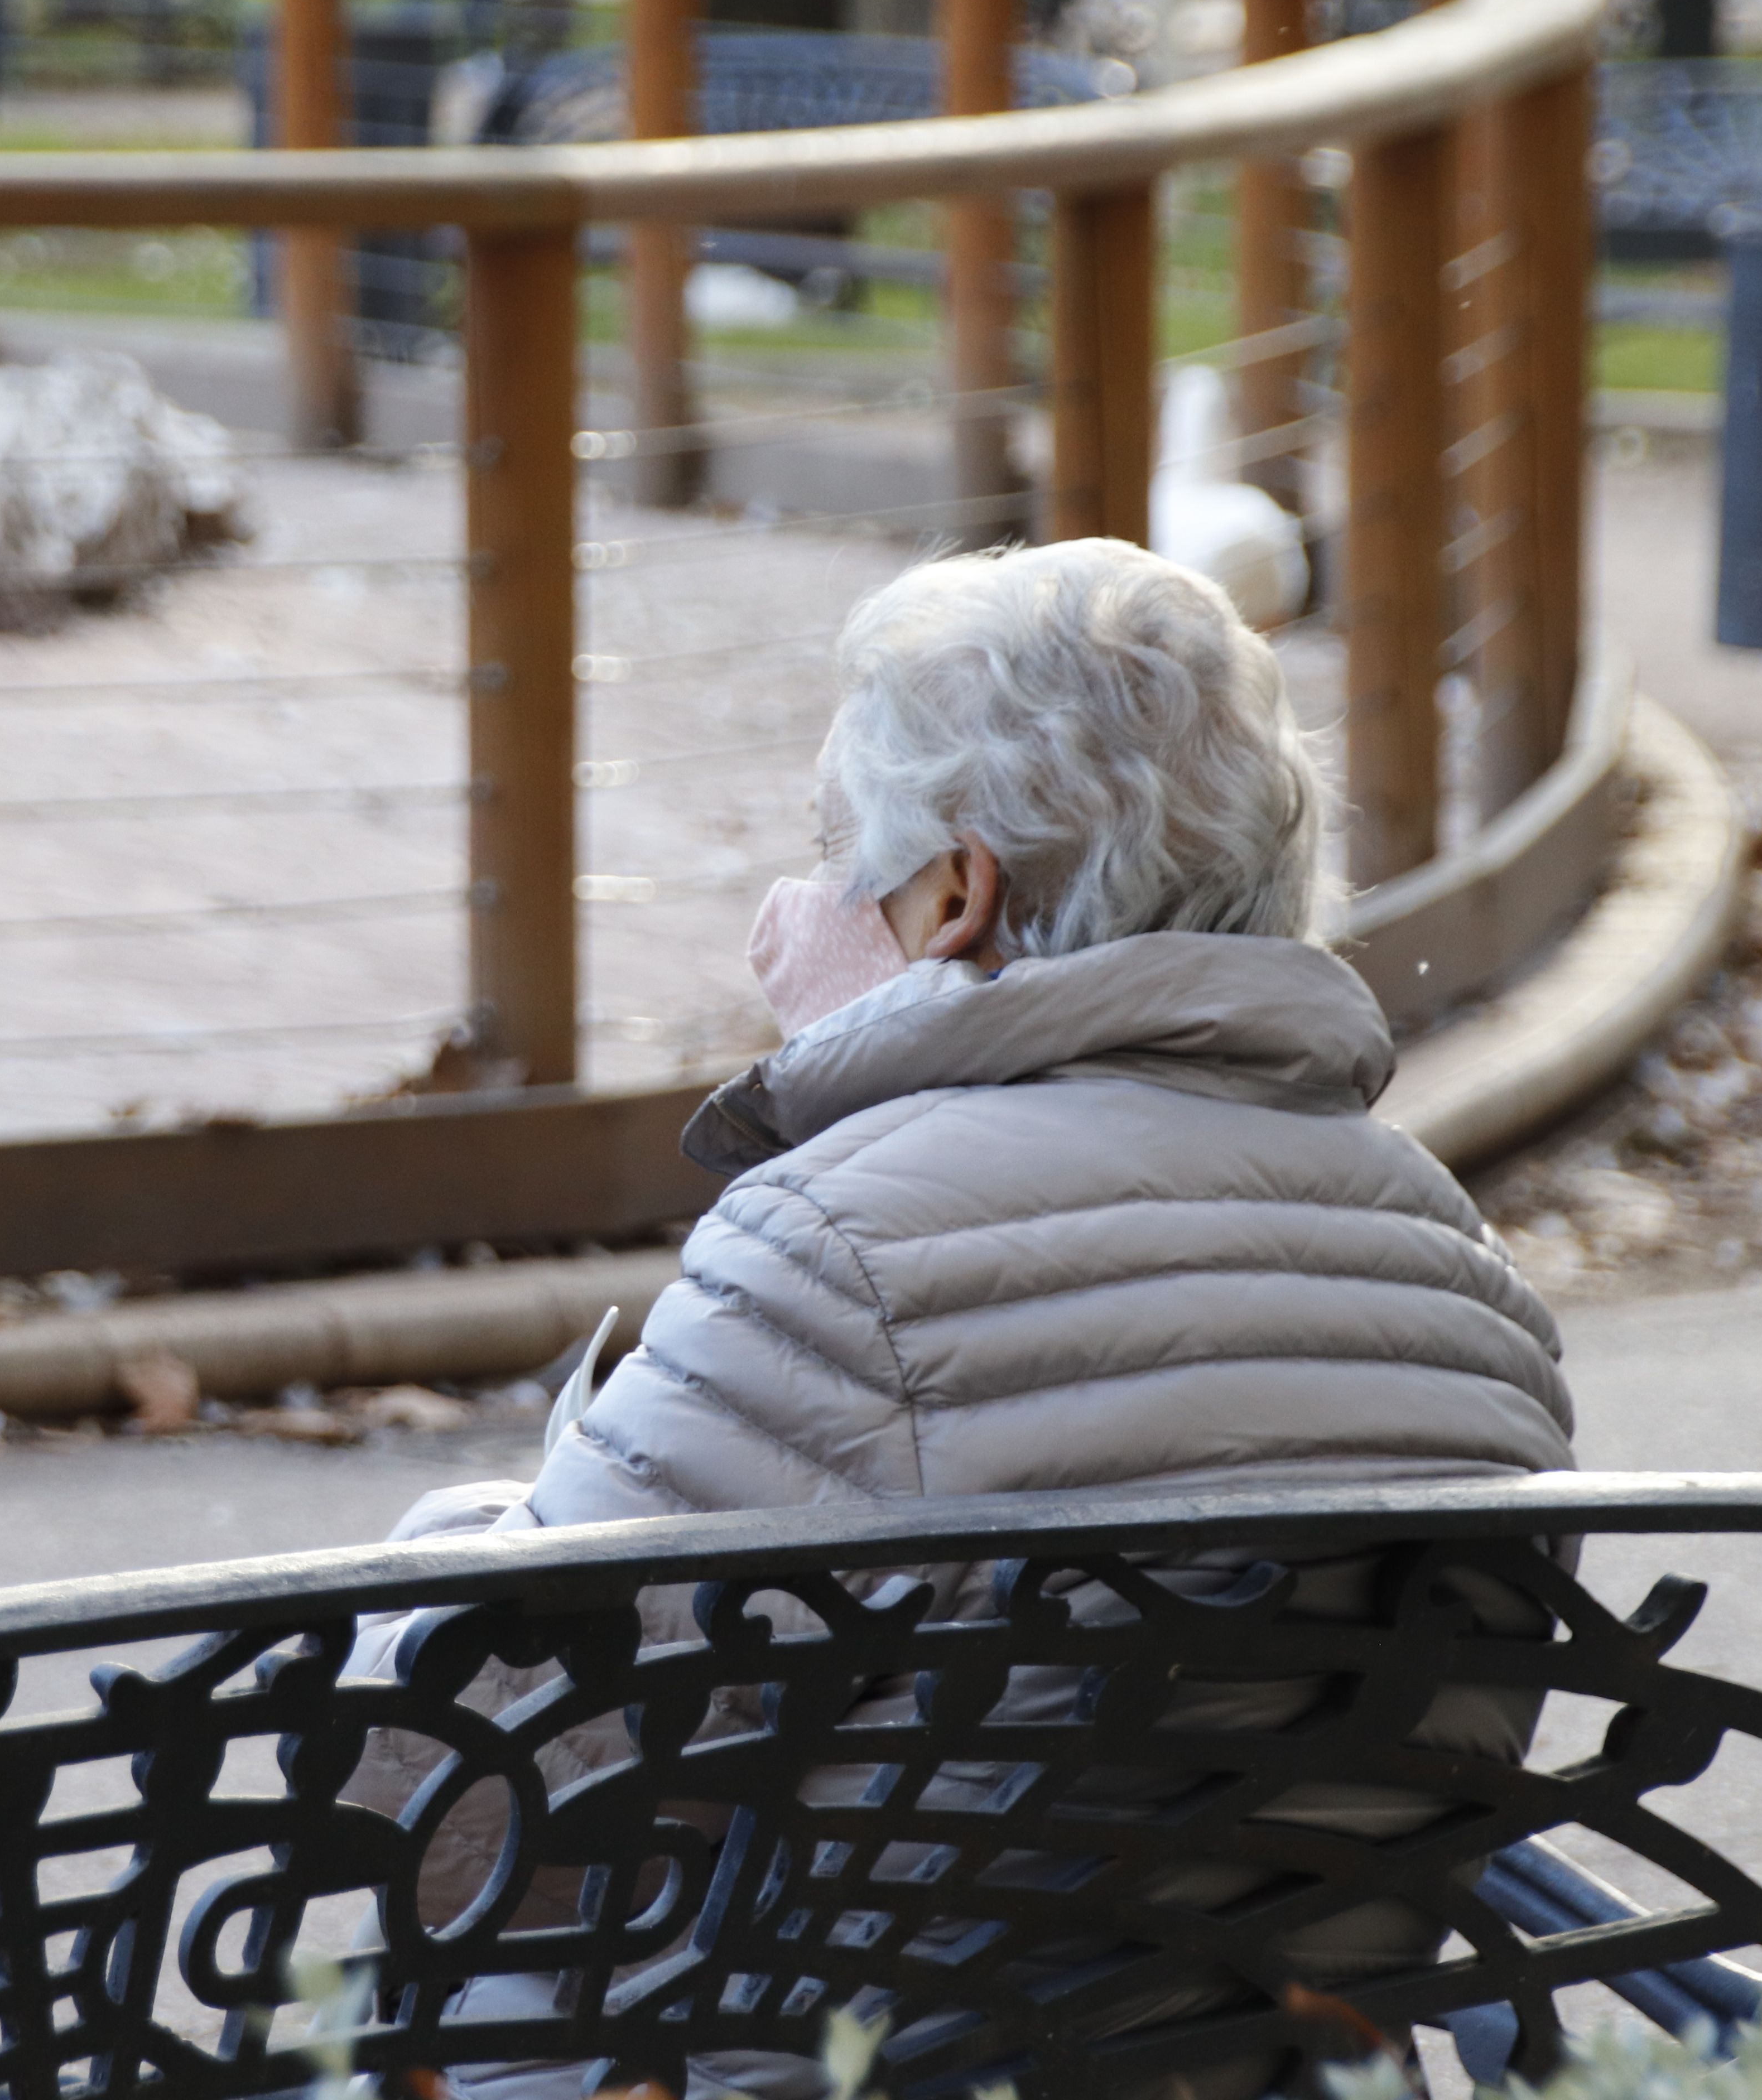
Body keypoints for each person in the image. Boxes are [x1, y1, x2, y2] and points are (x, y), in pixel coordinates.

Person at [340, 538, 1577, 2096]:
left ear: (952, 895)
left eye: (823, 855)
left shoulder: (845, 1250)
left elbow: (477, 1816)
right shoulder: (1460, 1273)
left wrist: (447, 1555)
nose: (780, 922)